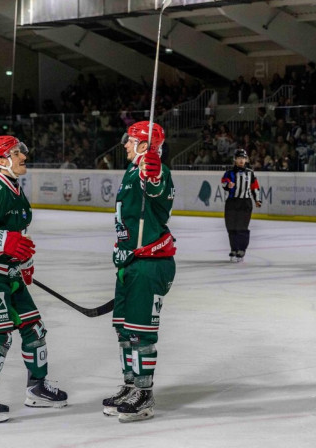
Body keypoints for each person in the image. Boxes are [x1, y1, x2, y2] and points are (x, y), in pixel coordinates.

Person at [0, 136, 68, 423]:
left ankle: (37, 388)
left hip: (8, 273)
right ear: (2, 159)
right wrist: (0, 242)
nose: (23, 156)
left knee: (34, 328)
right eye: (17, 153)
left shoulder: (16, 191)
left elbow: (20, 237)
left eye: (21, 152)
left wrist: (25, 261)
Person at [103, 121, 176, 423]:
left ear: (145, 145)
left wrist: (154, 170)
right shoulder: (131, 171)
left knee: (141, 333)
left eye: (130, 140)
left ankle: (144, 394)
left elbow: (158, 189)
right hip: (129, 263)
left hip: (150, 264)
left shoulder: (153, 171)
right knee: (124, 329)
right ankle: (131, 385)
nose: (124, 145)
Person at [220, 149, 262, 262]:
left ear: (246, 160)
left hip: (245, 203)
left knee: (242, 227)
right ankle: (234, 248)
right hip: (232, 202)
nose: (241, 160)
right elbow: (223, 182)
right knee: (231, 227)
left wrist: (257, 200)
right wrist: (228, 185)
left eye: (243, 158)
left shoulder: (250, 173)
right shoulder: (229, 173)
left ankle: (241, 249)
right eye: (239, 158)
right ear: (235, 160)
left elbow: (255, 187)